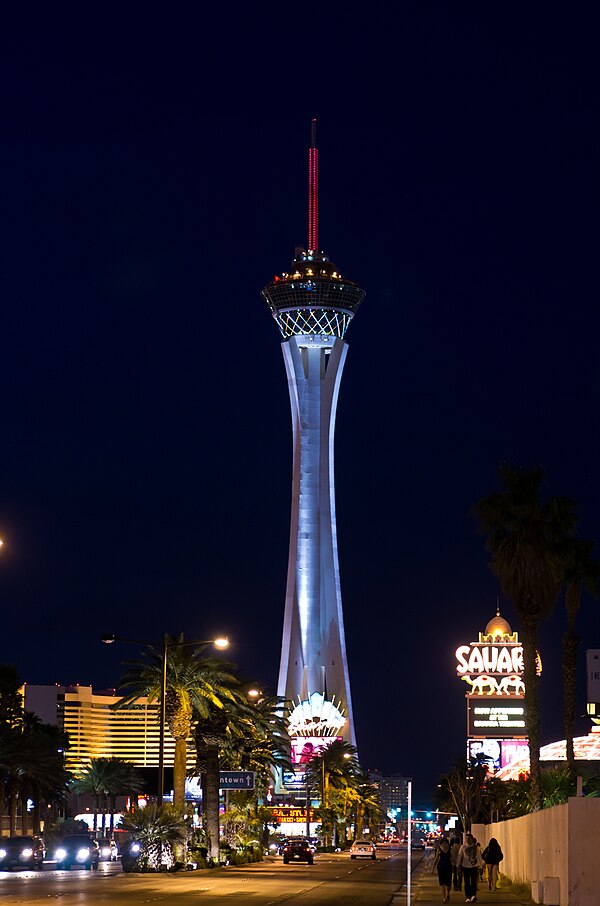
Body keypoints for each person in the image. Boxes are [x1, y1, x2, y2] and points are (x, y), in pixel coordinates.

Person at [456, 833, 481, 902]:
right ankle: (468, 896)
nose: (468, 840)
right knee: (466, 882)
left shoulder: (476, 847)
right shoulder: (463, 847)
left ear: (472, 839)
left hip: (474, 866)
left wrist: (481, 865)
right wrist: (457, 865)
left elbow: (478, 856)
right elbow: (459, 856)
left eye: (469, 838)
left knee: (473, 882)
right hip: (465, 866)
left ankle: (473, 895)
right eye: (466, 838)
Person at [432, 836, 453, 903]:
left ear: (447, 843)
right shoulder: (439, 850)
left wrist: (456, 865)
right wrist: (433, 868)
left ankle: (448, 894)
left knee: (448, 884)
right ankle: (444, 898)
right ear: (441, 844)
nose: (444, 844)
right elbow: (436, 859)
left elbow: (452, 859)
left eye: (445, 843)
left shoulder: (450, 849)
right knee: (442, 883)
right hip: (441, 867)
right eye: (443, 843)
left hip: (448, 867)